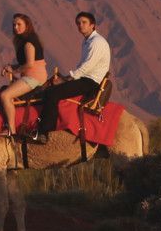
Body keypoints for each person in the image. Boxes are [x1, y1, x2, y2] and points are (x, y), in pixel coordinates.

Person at [28, 11, 111, 144]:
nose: (80, 26)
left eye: (84, 23)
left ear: (92, 25)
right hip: (84, 79)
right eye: (78, 23)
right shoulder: (87, 42)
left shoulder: (97, 42)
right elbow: (82, 66)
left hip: (90, 82)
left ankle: (44, 132)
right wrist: (67, 77)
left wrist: (66, 79)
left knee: (52, 93)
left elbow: (87, 67)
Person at [0, 13, 47, 137]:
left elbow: (29, 64)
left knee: (5, 95)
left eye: (19, 24)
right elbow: (24, 63)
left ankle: (11, 130)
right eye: (14, 25)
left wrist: (14, 71)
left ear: (27, 25)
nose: (15, 27)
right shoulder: (23, 41)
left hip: (34, 77)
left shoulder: (29, 43)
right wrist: (11, 67)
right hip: (29, 76)